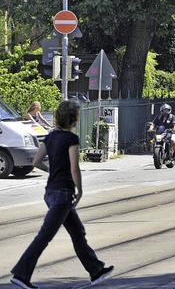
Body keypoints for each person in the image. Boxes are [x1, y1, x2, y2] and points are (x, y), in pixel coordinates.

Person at [11, 100, 114, 289]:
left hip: (51, 193)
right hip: (63, 194)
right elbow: (74, 167)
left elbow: (36, 161)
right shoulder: (71, 139)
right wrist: (80, 190)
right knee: (44, 236)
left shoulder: (50, 137)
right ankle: (21, 275)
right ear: (73, 119)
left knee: (78, 232)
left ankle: (96, 270)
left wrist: (52, 170)